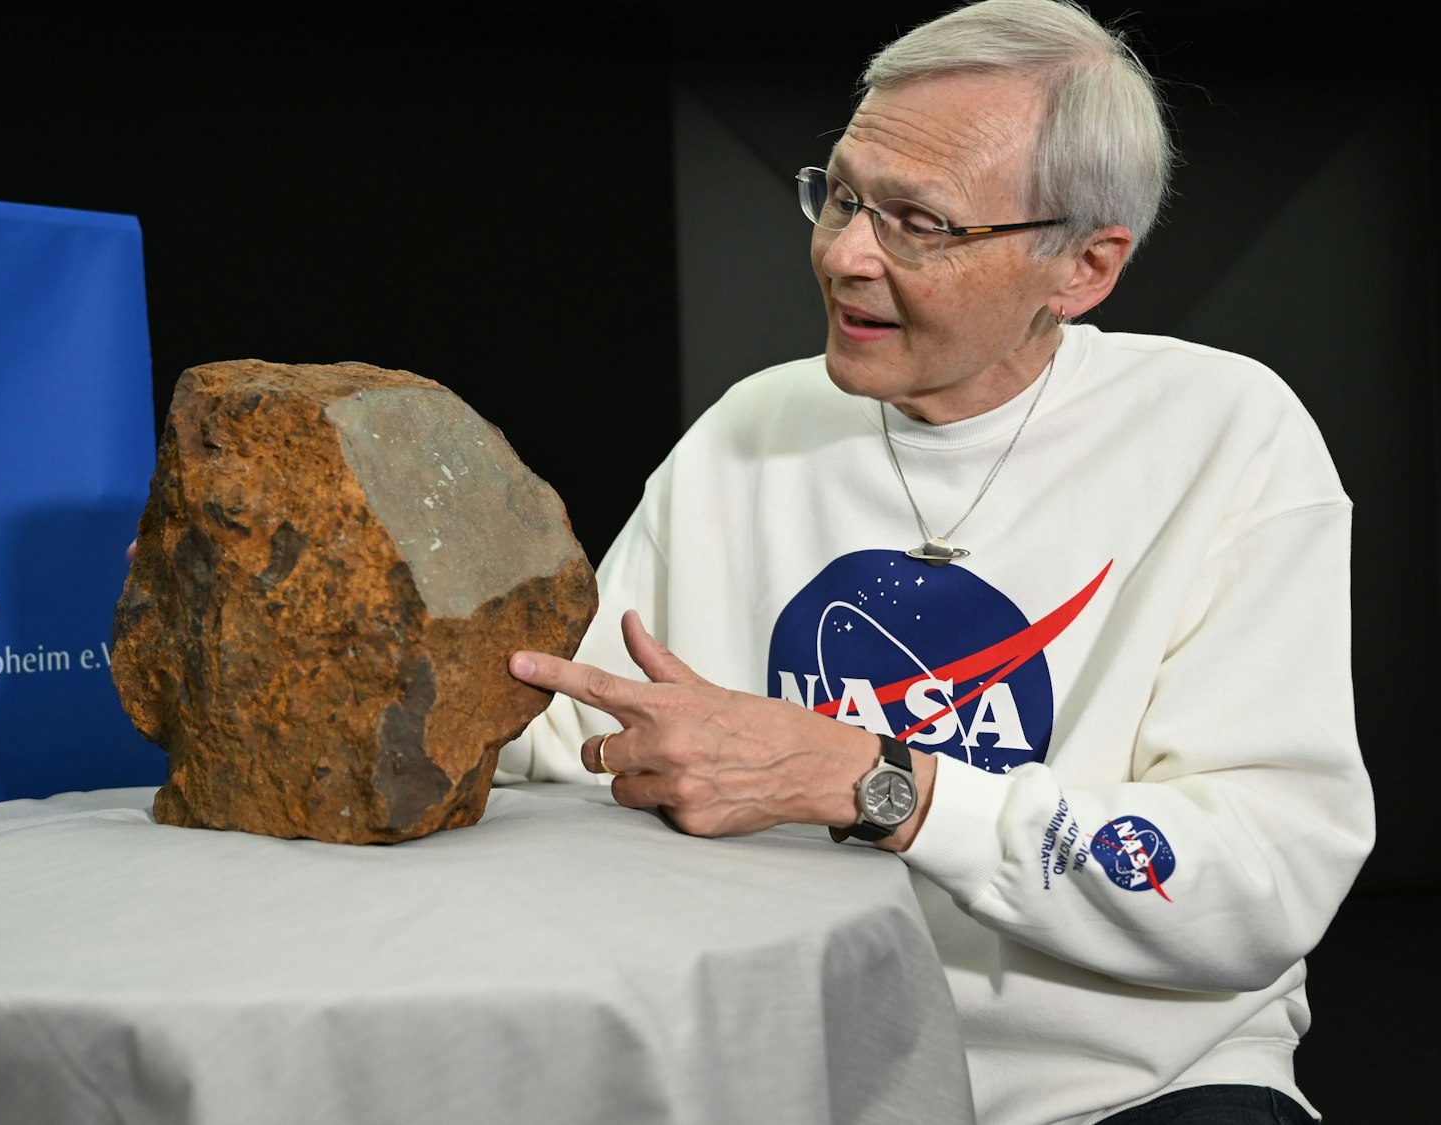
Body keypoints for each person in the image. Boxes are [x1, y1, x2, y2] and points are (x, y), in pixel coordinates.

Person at [495, 1, 1373, 1121]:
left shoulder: (1223, 434)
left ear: (1083, 268)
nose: (845, 254)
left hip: (1127, 1092)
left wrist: (875, 782)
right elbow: (564, 741)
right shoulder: (746, 429)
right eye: (844, 196)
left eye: (920, 222)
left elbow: (1258, 884)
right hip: (792, 1073)